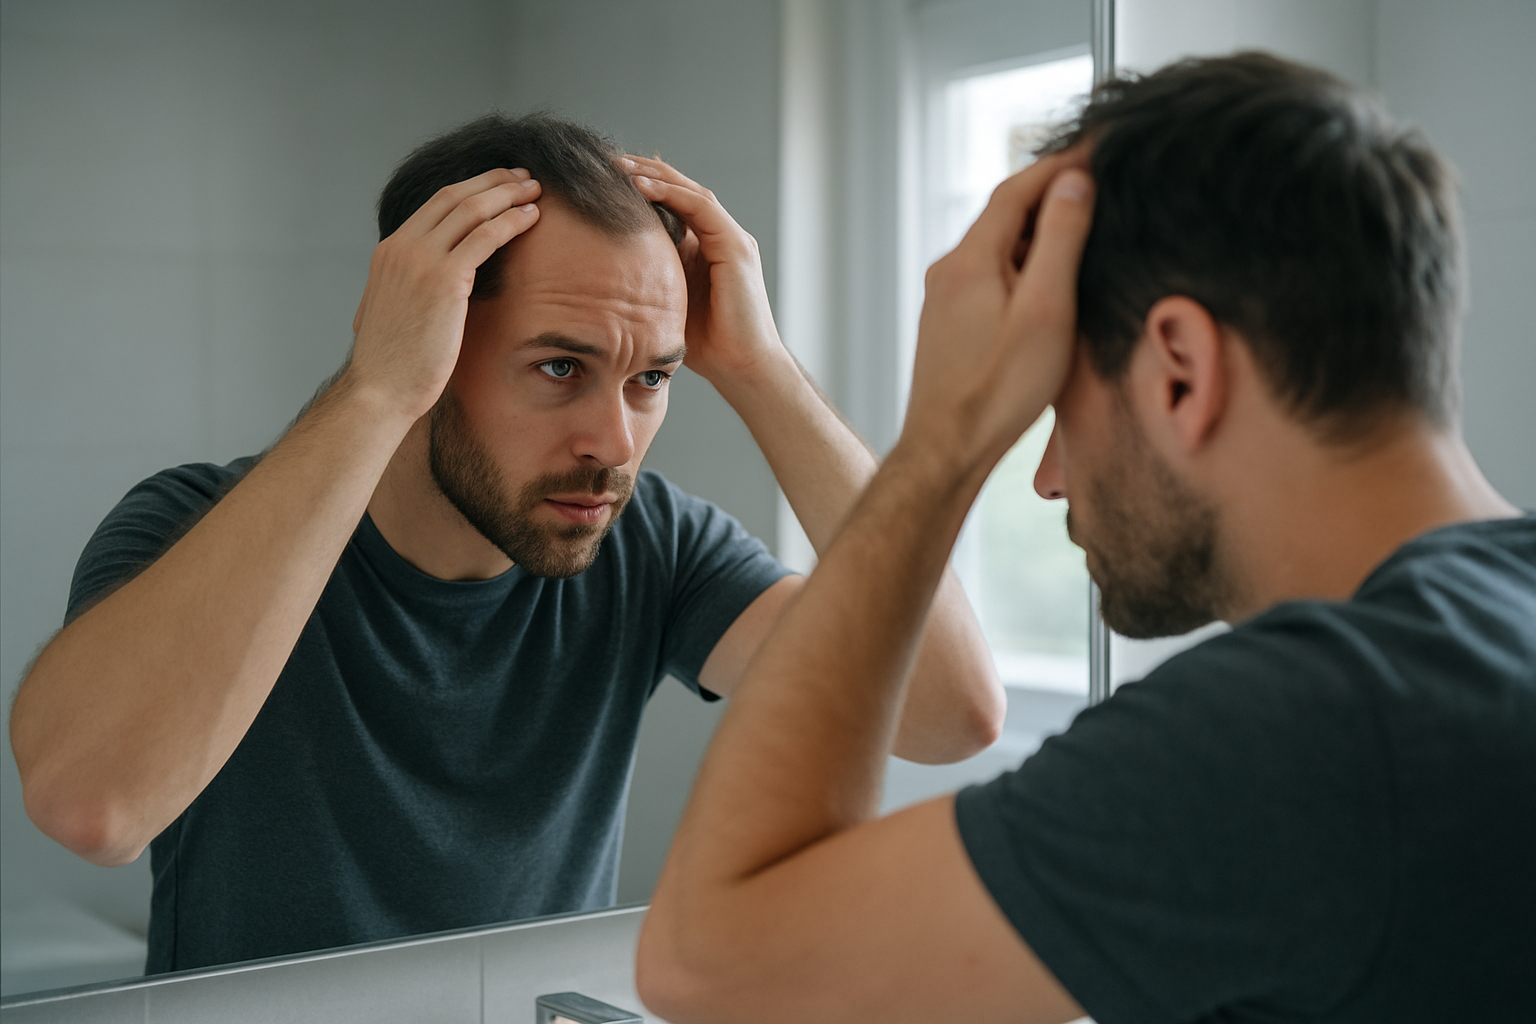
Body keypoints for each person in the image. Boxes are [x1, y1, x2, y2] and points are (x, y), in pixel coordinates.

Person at [635, 52, 1536, 1023]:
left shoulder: (1317, 728)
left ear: (1180, 370)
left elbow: (709, 966)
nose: (1047, 474)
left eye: (1053, 402)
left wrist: (945, 439)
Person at [8, 113, 1004, 974]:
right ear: (427, 338)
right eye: (560, 365)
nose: (614, 443)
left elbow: (948, 711)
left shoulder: (646, 545)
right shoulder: (196, 527)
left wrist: (764, 370)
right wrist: (373, 387)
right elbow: (90, 805)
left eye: (651, 379)